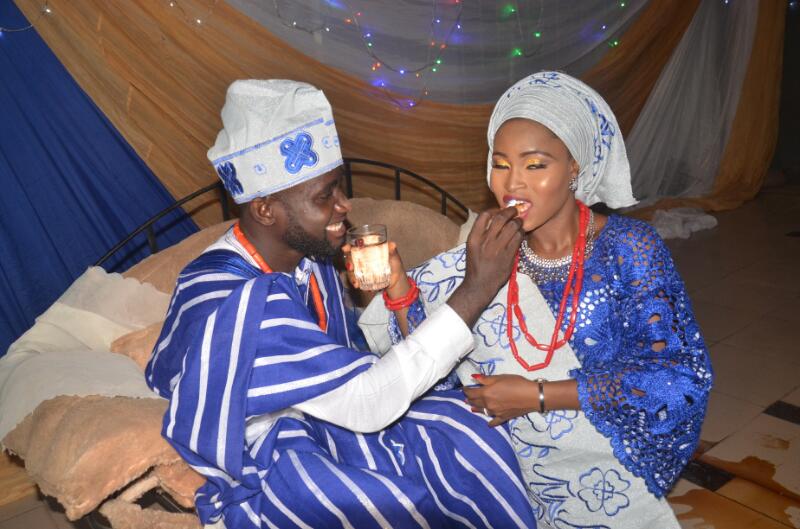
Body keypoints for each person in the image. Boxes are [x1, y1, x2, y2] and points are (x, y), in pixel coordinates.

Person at [145, 79, 539, 529]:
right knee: (381, 491)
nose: (344, 206)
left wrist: (395, 291)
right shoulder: (238, 298)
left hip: (335, 414)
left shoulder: (308, 262)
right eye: (324, 196)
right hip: (279, 444)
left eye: (339, 188)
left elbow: (350, 362)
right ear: (266, 209)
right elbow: (367, 401)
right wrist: (477, 287)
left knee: (467, 428)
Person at [359, 71, 713, 529]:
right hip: (509, 473)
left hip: (602, 471)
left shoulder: (629, 247)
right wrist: (398, 286)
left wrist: (538, 395)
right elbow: (432, 369)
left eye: (535, 165)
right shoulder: (487, 254)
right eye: (501, 164)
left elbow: (677, 378)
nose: (513, 184)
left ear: (574, 169)